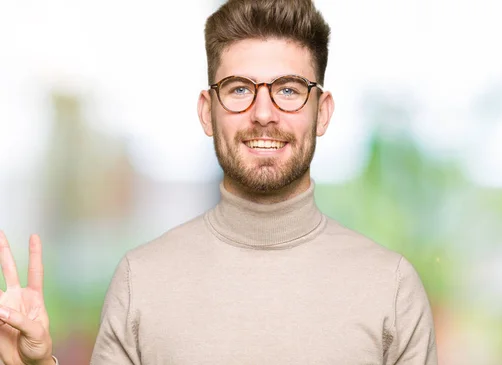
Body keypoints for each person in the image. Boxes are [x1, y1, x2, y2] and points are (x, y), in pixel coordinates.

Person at [0, 0, 438, 363]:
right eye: (239, 89)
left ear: (321, 111)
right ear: (207, 111)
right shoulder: (142, 280)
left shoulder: (391, 287)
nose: (264, 114)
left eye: (288, 89)